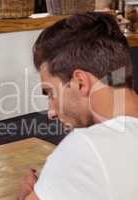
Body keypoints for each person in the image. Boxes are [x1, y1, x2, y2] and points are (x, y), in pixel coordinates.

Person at [18, 12, 138, 200]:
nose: (51, 112)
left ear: (80, 82)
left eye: (51, 94)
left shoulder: (86, 147)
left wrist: (25, 196)